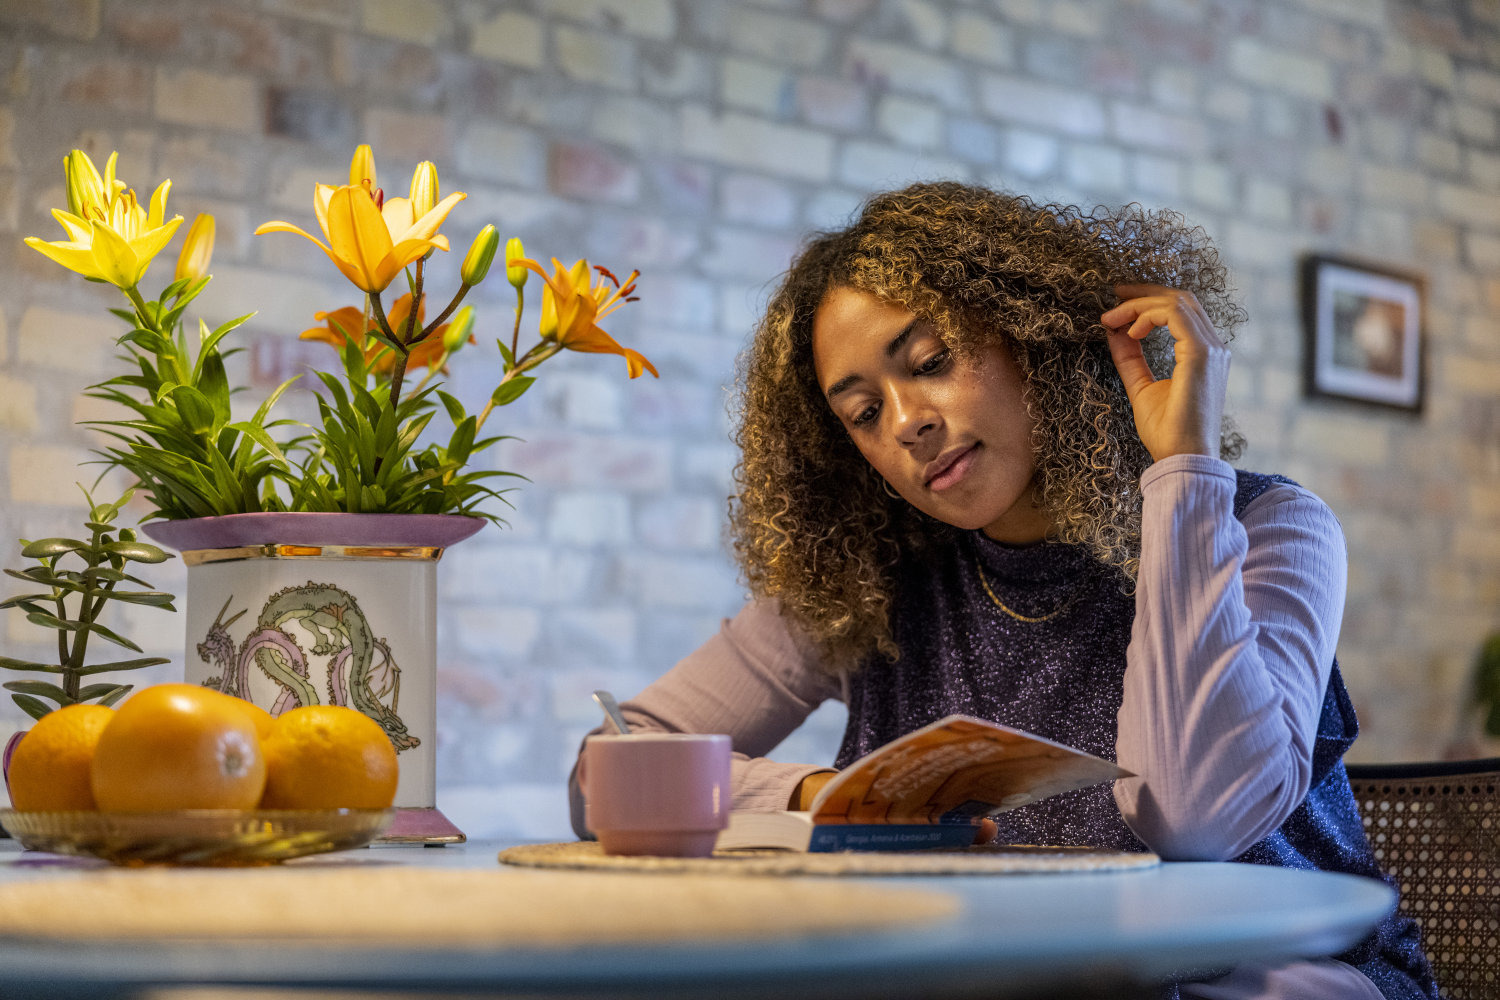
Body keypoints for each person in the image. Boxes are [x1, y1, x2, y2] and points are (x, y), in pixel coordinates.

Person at [568, 183, 1439, 999]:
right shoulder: (872, 582)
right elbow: (603, 773)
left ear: (1033, 334)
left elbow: (1195, 817)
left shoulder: (1269, 528)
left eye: (932, 359)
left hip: (1262, 977)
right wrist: (815, 802)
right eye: (864, 413)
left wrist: (1182, 472)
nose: (908, 421)